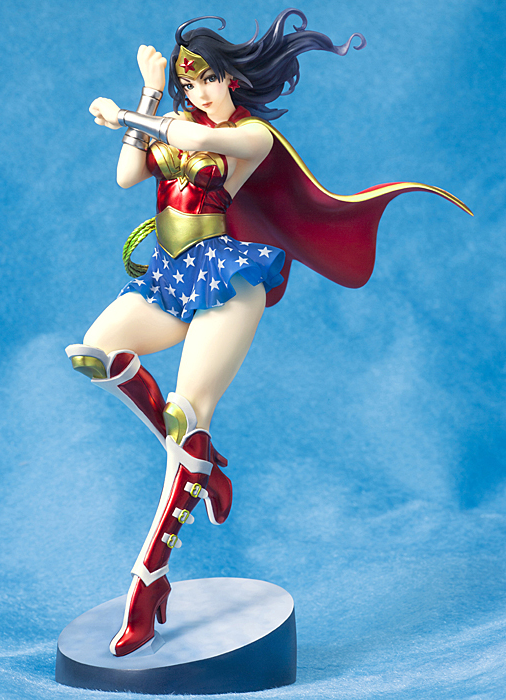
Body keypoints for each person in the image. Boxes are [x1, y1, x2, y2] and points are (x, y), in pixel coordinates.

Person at [66, 9, 470, 657]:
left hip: (229, 280)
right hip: (170, 277)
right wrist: (146, 95)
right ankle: (203, 467)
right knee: (94, 354)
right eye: (187, 82)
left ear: (231, 77)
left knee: (184, 415)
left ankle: (148, 580)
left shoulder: (252, 136)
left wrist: (133, 115)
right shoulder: (181, 118)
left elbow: (186, 138)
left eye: (207, 79)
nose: (198, 92)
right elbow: (127, 175)